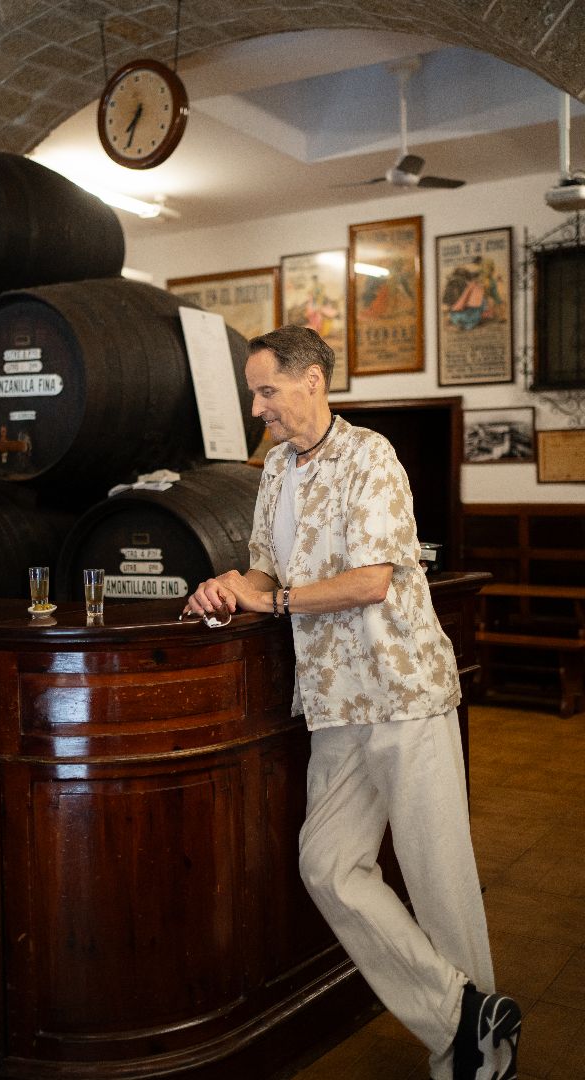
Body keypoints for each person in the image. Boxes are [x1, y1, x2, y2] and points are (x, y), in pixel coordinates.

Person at [185, 324, 521, 1080]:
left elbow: (372, 581)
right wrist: (231, 589)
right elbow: (266, 573)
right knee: (329, 865)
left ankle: (480, 1058)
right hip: (333, 702)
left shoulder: (371, 456)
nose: (258, 407)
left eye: (267, 390)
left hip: (402, 689)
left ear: (312, 381)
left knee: (438, 879)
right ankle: (463, 1014)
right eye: (253, 393)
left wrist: (273, 602)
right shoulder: (275, 468)